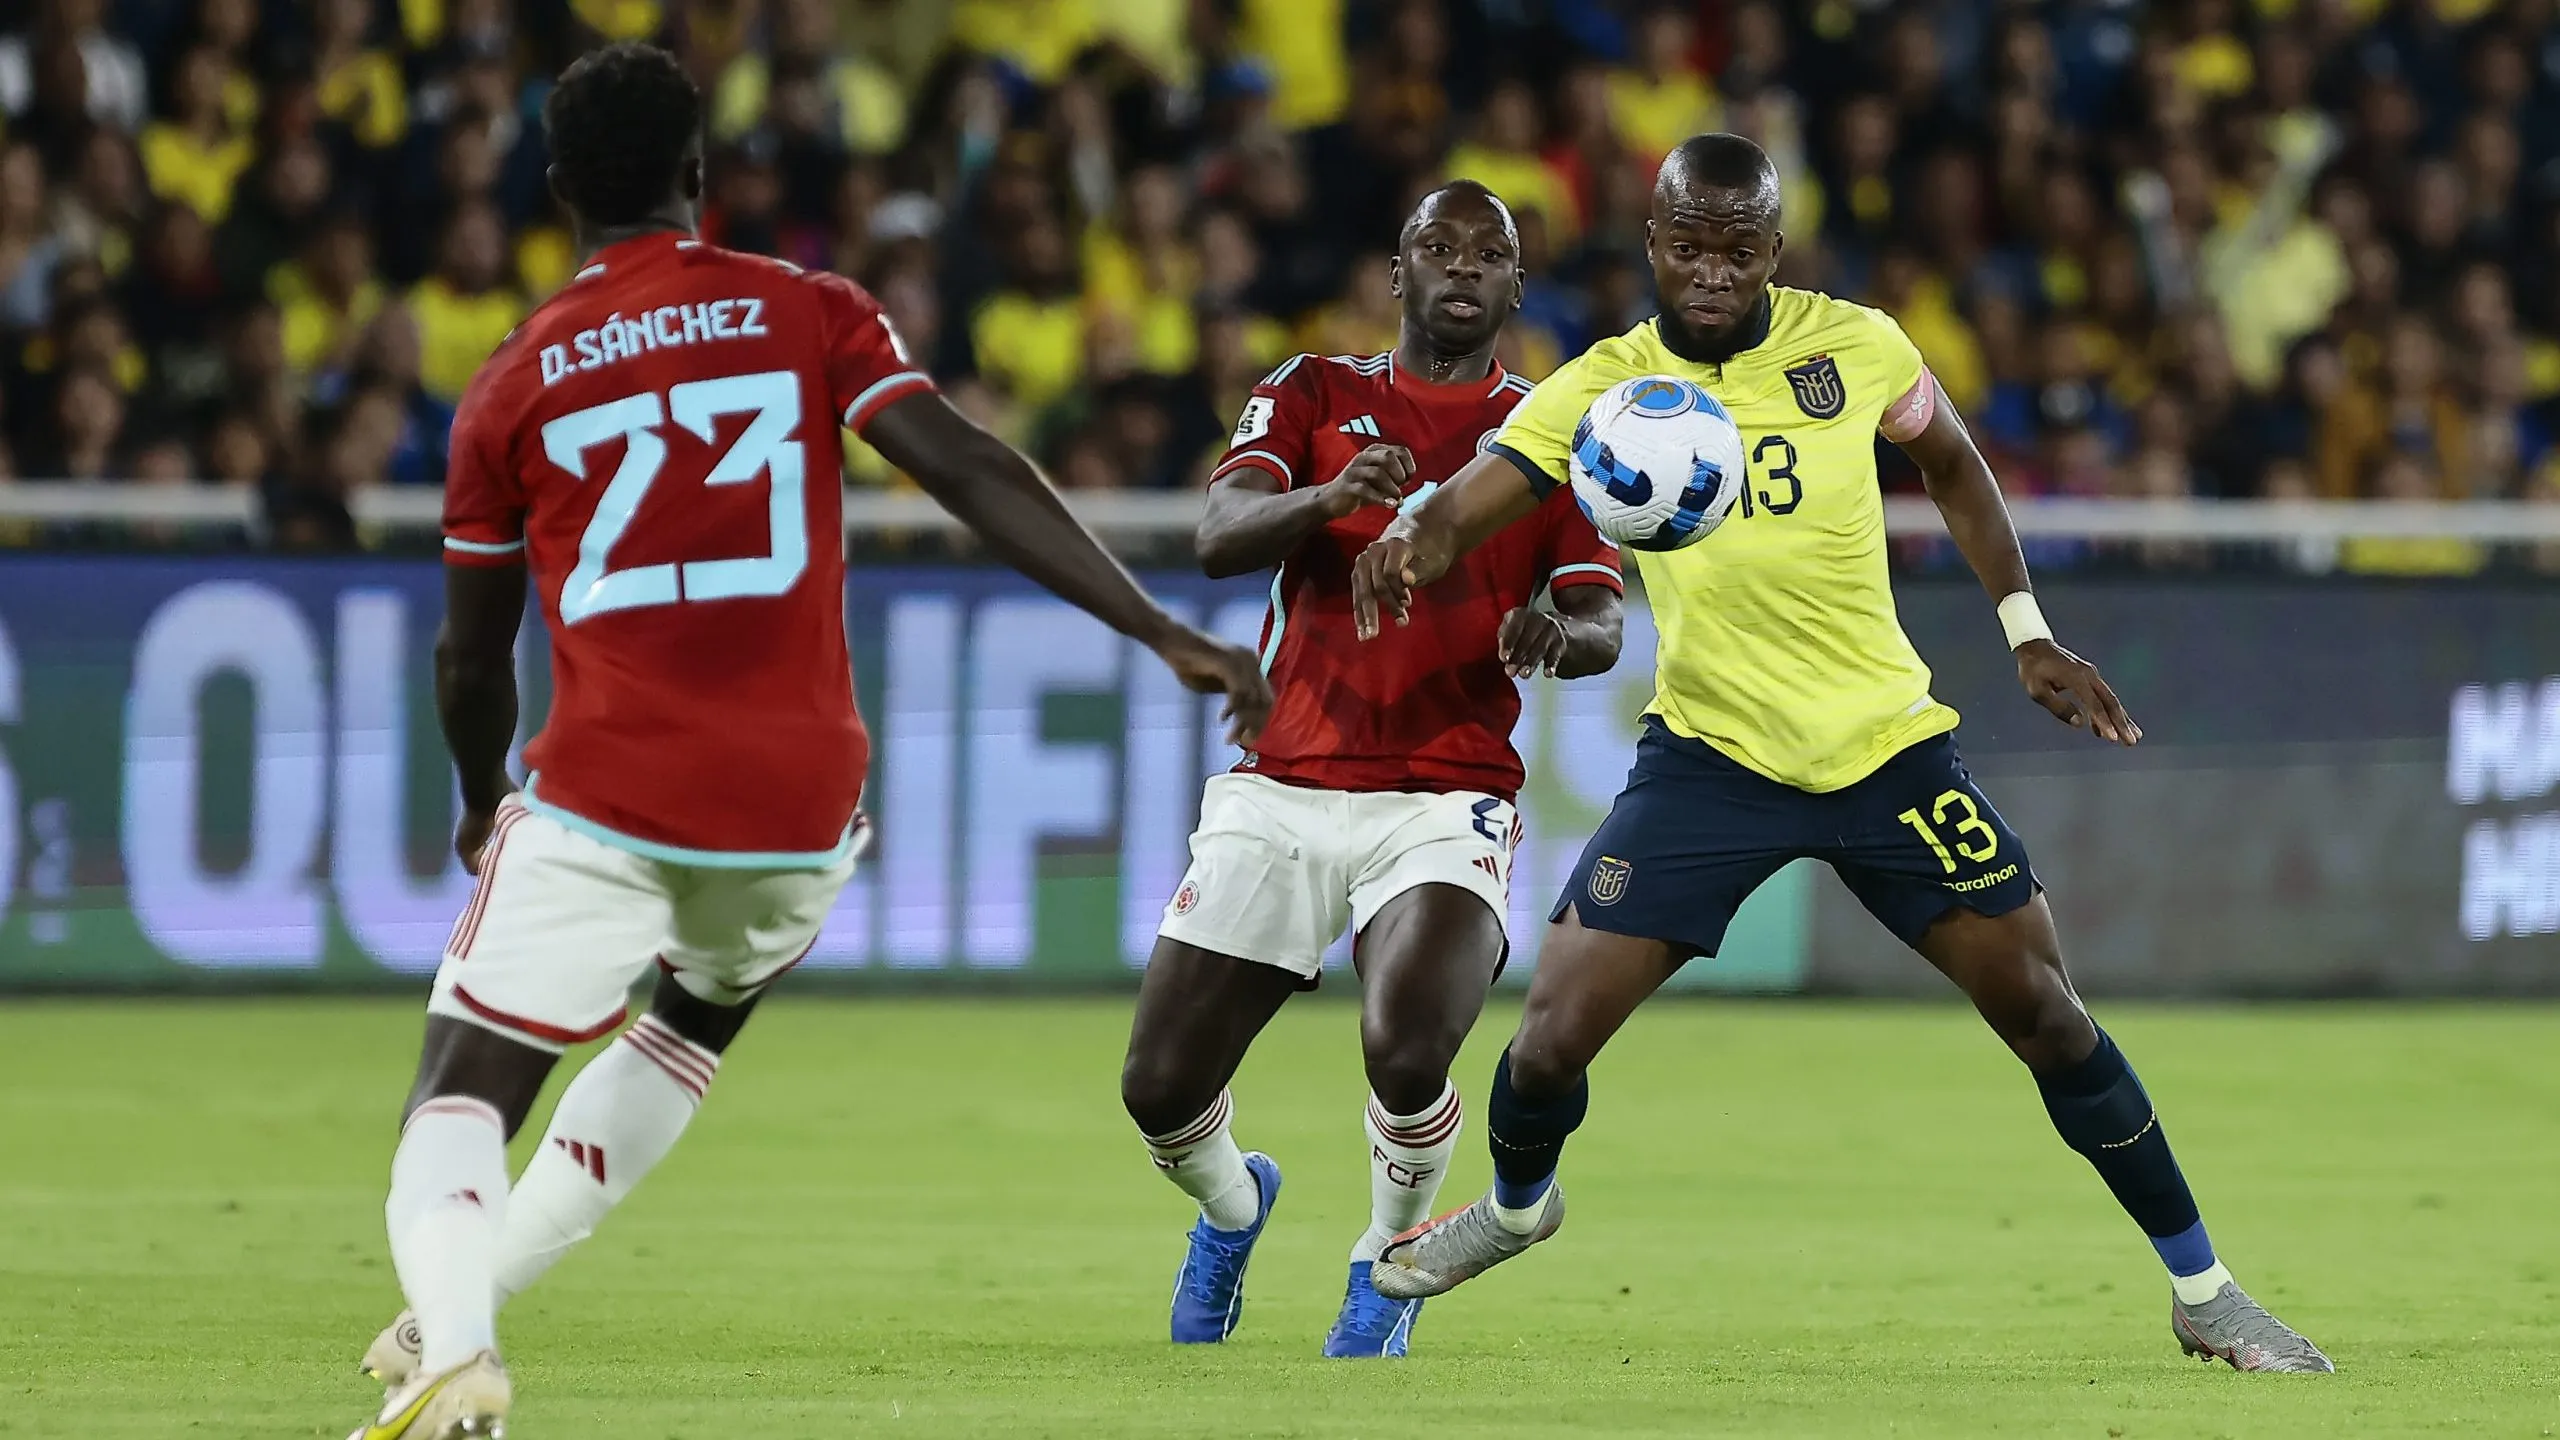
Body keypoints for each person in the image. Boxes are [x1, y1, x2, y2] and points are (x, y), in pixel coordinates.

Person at [350, 42, 1271, 1440]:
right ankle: (456, 1312)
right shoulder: (804, 310)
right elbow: (965, 461)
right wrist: (1162, 631)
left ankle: (460, 1354)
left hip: (612, 788)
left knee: (459, 1095)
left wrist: (482, 797)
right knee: (685, 1030)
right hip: (802, 811)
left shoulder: (513, 382)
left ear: (553, 191)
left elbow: (471, 656)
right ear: (700, 178)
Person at [1346, 136, 2331, 1374]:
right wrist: (1410, 539)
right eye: (1687, 245)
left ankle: (2207, 1293)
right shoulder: (1600, 387)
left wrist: (2026, 633)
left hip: (1883, 753)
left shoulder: (1855, 347)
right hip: (1709, 761)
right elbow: (1476, 497)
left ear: (1773, 250)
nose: (1711, 270)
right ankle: (1514, 1208)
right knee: (1543, 1044)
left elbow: (1956, 467)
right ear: (1651, 243)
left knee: (2047, 1014)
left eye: (1737, 247)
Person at [1119, 180, 1624, 1359]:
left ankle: (1383, 1268)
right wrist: (1328, 496)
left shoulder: (1549, 437)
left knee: (1406, 1043)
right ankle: (1234, 1211)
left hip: (1445, 799)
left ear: (1512, 285)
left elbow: (1602, 618)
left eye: (1488, 253)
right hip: (1282, 781)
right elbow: (1213, 539)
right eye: (1435, 247)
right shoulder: (1309, 392)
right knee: (1157, 1086)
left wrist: (1558, 631)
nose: (1461, 267)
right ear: (1394, 275)